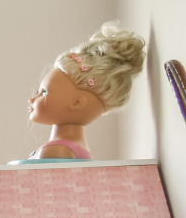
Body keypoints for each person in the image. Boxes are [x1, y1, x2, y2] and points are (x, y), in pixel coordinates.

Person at [24, 23, 147, 161]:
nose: (32, 100)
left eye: (44, 92)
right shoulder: (75, 147)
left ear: (76, 102)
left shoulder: (57, 150)